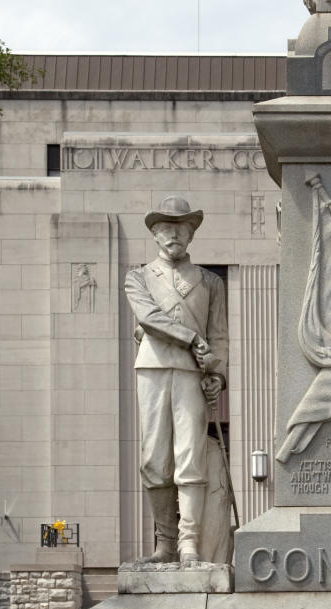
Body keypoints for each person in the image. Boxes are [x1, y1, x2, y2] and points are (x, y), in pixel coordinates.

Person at [125, 196, 228, 563]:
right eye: (166, 228)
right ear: (154, 234)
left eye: (181, 228)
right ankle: (164, 543)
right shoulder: (137, 277)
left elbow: (219, 336)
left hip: (192, 375)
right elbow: (149, 317)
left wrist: (217, 372)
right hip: (152, 368)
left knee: (190, 457)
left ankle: (188, 543)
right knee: (154, 460)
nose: (173, 234)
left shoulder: (211, 282)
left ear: (191, 234)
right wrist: (191, 339)